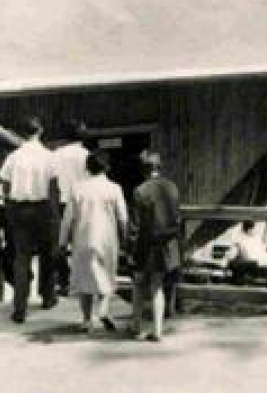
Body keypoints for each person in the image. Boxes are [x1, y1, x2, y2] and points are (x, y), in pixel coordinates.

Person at [59, 151, 129, 333]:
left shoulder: (77, 188)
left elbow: (67, 219)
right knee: (106, 275)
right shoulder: (114, 188)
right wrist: (125, 237)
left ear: (87, 167)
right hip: (107, 239)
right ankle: (103, 309)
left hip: (83, 238)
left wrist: (62, 241)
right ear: (107, 167)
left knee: (85, 279)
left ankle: (86, 320)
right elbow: (123, 218)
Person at [0, 116, 59, 323]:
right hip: (42, 208)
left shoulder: (13, 157)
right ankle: (48, 296)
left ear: (21, 133)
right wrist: (54, 215)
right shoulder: (49, 156)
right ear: (40, 131)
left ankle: (20, 308)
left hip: (19, 208)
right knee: (47, 253)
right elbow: (53, 188)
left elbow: (5, 186)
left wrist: (10, 208)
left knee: (21, 258)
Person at [129, 150, 181, 342]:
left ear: (143, 169)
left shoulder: (140, 191)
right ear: (159, 167)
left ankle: (137, 326)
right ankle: (158, 330)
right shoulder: (172, 188)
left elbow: (135, 226)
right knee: (157, 286)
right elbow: (177, 218)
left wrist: (130, 250)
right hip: (166, 245)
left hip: (145, 246)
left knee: (139, 284)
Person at [50, 120, 92, 295]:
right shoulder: (87, 155)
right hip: (82, 202)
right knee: (80, 243)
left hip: (61, 201)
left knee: (59, 243)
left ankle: (64, 280)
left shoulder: (56, 155)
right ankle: (79, 281)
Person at [226, 220, 267, 285]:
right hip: (254, 262)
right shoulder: (241, 240)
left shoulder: (256, 238)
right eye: (254, 229)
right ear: (249, 229)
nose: (256, 231)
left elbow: (263, 249)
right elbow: (243, 254)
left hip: (260, 261)